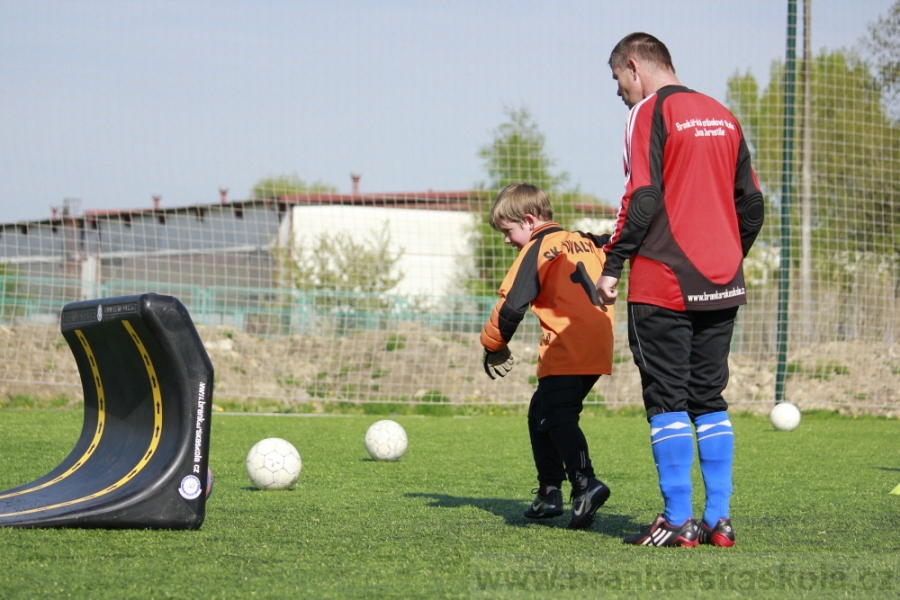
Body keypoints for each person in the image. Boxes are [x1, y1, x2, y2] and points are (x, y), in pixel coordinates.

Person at [596, 32, 764, 547]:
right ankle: (718, 520)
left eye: (617, 81)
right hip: (721, 282)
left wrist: (614, 263)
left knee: (666, 401)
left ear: (633, 67)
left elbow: (642, 197)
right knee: (709, 399)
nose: (619, 92)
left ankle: (677, 519)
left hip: (662, 280)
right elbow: (752, 206)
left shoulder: (648, 112)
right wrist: (726, 256)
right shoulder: (723, 114)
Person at [480, 182, 615, 530]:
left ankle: (585, 482)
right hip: (599, 339)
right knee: (541, 410)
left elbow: (511, 306)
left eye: (508, 231)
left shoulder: (538, 248)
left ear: (528, 220)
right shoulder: (586, 240)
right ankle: (549, 492)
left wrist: (493, 344)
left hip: (565, 343)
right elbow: (616, 241)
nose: (507, 240)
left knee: (558, 415)